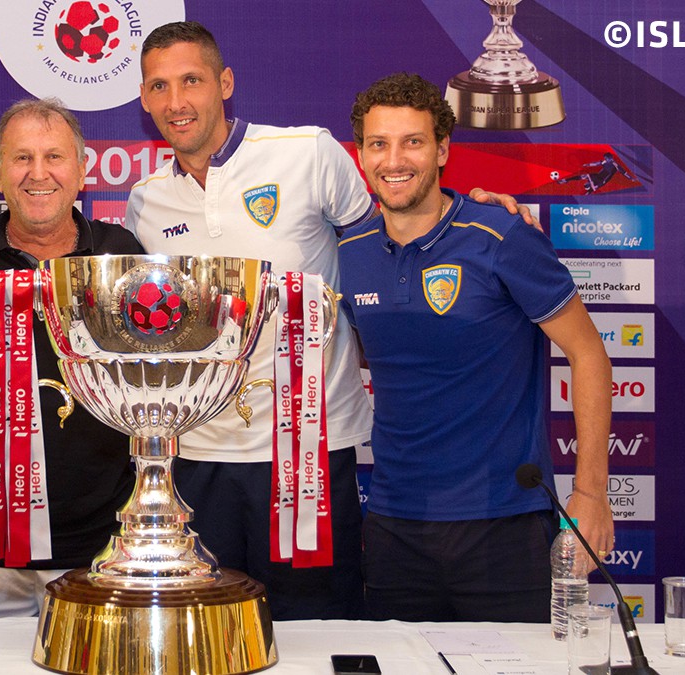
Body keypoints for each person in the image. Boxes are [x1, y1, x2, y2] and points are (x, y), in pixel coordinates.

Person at [125, 21, 534, 621]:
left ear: (225, 83)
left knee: (316, 635)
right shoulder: (145, 201)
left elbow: (395, 232)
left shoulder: (308, 153)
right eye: (159, 87)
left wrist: (477, 212)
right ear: (143, 98)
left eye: (191, 80)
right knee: (206, 633)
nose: (176, 101)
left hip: (310, 451)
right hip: (198, 457)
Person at [340, 72, 614, 622]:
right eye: (378, 144)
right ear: (362, 155)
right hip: (395, 524)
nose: (394, 160)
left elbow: (589, 355)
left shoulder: (502, 235)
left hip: (505, 523)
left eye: (413, 142)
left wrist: (591, 494)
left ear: (442, 150)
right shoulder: (350, 251)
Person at [0, 98, 143, 616]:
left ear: (82, 170)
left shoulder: (121, 254)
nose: (38, 173)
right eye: (22, 157)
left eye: (54, 157)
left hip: (102, 540)